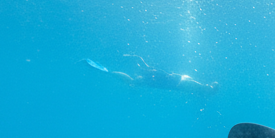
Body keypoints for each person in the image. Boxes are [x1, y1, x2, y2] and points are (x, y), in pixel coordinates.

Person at [86, 55, 218, 95]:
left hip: (174, 81)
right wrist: (137, 59)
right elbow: (148, 69)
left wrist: (137, 58)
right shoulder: (148, 79)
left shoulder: (147, 79)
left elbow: (148, 69)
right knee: (133, 81)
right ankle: (107, 72)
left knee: (133, 81)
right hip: (176, 82)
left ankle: (107, 71)